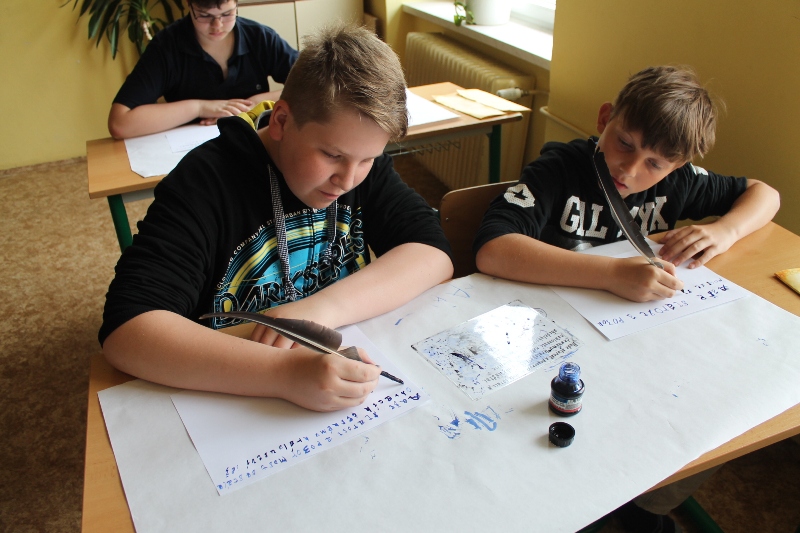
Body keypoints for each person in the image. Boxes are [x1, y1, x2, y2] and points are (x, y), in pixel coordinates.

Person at [473, 65, 780, 533]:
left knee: (711, 404)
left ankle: (645, 505)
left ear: (676, 165)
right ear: (605, 119)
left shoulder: (681, 182)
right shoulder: (559, 170)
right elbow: (493, 248)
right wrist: (611, 274)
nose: (631, 169)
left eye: (655, 164)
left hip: (636, 344)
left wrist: (725, 231)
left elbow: (765, 194)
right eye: (624, 143)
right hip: (557, 340)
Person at [98, 23, 454, 413]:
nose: (348, 179)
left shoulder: (357, 162)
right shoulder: (204, 183)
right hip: (229, 392)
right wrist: (283, 374)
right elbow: (127, 331)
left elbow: (432, 253)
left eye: (368, 159)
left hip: (329, 375)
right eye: (331, 155)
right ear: (281, 121)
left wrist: (322, 309)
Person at [108, 0, 298, 139]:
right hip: (190, 154)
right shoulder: (165, 48)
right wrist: (200, 107)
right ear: (188, 4)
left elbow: (314, 85)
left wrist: (258, 102)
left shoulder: (260, 37)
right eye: (205, 16)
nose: (217, 25)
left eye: (227, 14)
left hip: (253, 143)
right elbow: (120, 123)